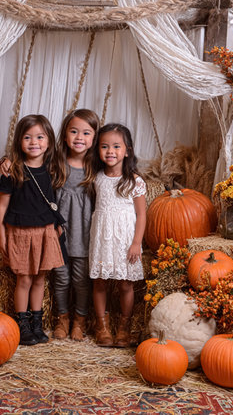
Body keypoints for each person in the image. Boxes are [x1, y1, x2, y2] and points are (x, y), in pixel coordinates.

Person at [0, 109, 100, 342]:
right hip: (55, 231)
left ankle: (80, 321)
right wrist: (5, 160)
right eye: (73, 131)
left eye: (86, 133)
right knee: (61, 279)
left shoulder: (96, 166)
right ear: (63, 136)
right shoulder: (56, 162)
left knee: (81, 280)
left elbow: (118, 162)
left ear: (94, 138)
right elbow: (27, 159)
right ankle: (61, 319)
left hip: (83, 233)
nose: (78, 137)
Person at [0, 114, 65, 346]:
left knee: (40, 279)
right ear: (19, 141)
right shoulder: (12, 170)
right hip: (20, 232)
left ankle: (38, 323)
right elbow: (3, 205)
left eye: (39, 137)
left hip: (45, 231)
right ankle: (22, 324)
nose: (34, 142)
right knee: (24, 280)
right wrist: (2, 234)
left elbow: (52, 200)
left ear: (49, 141)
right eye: (27, 137)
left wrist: (56, 227)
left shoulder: (52, 169)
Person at [88, 123, 147, 348]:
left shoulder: (135, 181)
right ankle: (101, 326)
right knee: (100, 282)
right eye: (104, 146)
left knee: (125, 284)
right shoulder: (97, 178)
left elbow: (141, 215)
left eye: (116, 146)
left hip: (125, 241)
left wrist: (136, 244)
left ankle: (124, 326)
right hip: (102, 239)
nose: (110, 151)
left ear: (127, 150)